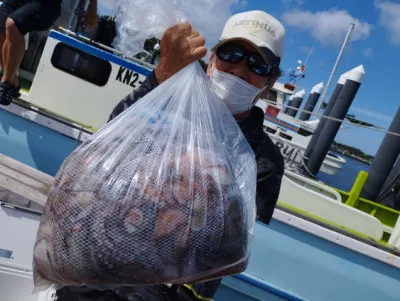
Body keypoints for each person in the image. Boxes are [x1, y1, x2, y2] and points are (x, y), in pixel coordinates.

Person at [55, 9, 286, 301]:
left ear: (269, 85)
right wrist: (160, 75)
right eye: (231, 54)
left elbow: (234, 247)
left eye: (258, 65)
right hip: (98, 264)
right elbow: (110, 140)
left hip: (173, 289)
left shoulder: (265, 160)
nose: (240, 69)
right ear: (211, 60)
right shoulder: (168, 100)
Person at [0, 0, 98, 106]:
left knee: (13, 24)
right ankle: (13, 82)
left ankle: (6, 84)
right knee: (2, 27)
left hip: (47, 4)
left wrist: (92, 9)